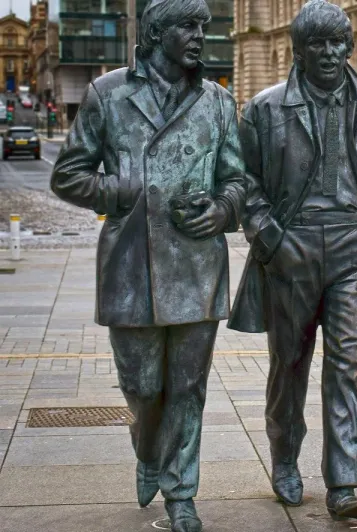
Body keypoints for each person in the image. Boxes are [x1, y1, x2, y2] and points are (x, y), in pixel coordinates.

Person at [50, 0, 246, 529]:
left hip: (196, 264)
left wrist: (222, 208)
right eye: (189, 26)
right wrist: (116, 190)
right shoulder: (107, 94)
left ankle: (181, 493)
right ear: (158, 33)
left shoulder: (217, 102)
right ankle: (148, 453)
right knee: (141, 387)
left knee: (189, 387)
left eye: (204, 26)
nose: (200, 36)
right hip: (131, 265)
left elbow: (238, 178)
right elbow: (68, 174)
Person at [227, 0, 357, 521]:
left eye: (337, 43)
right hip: (292, 247)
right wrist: (271, 240)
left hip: (355, 249)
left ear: (349, 46)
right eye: (317, 44)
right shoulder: (264, 108)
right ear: (297, 50)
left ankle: (344, 481)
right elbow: (246, 184)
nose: (329, 53)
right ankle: (284, 458)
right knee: (290, 364)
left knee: (349, 363)